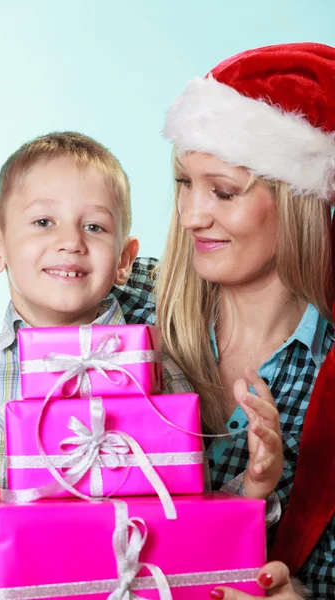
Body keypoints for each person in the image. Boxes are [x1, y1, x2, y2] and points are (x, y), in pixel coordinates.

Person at [0, 131, 282, 598]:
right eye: (43, 221)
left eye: (94, 227)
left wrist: (255, 486)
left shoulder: (165, 375)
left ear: (124, 260)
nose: (70, 242)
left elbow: (192, 519)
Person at [112, 42, 335, 599]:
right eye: (185, 183)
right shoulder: (129, 302)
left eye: (223, 191)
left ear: (300, 199)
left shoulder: (328, 379)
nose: (190, 216)